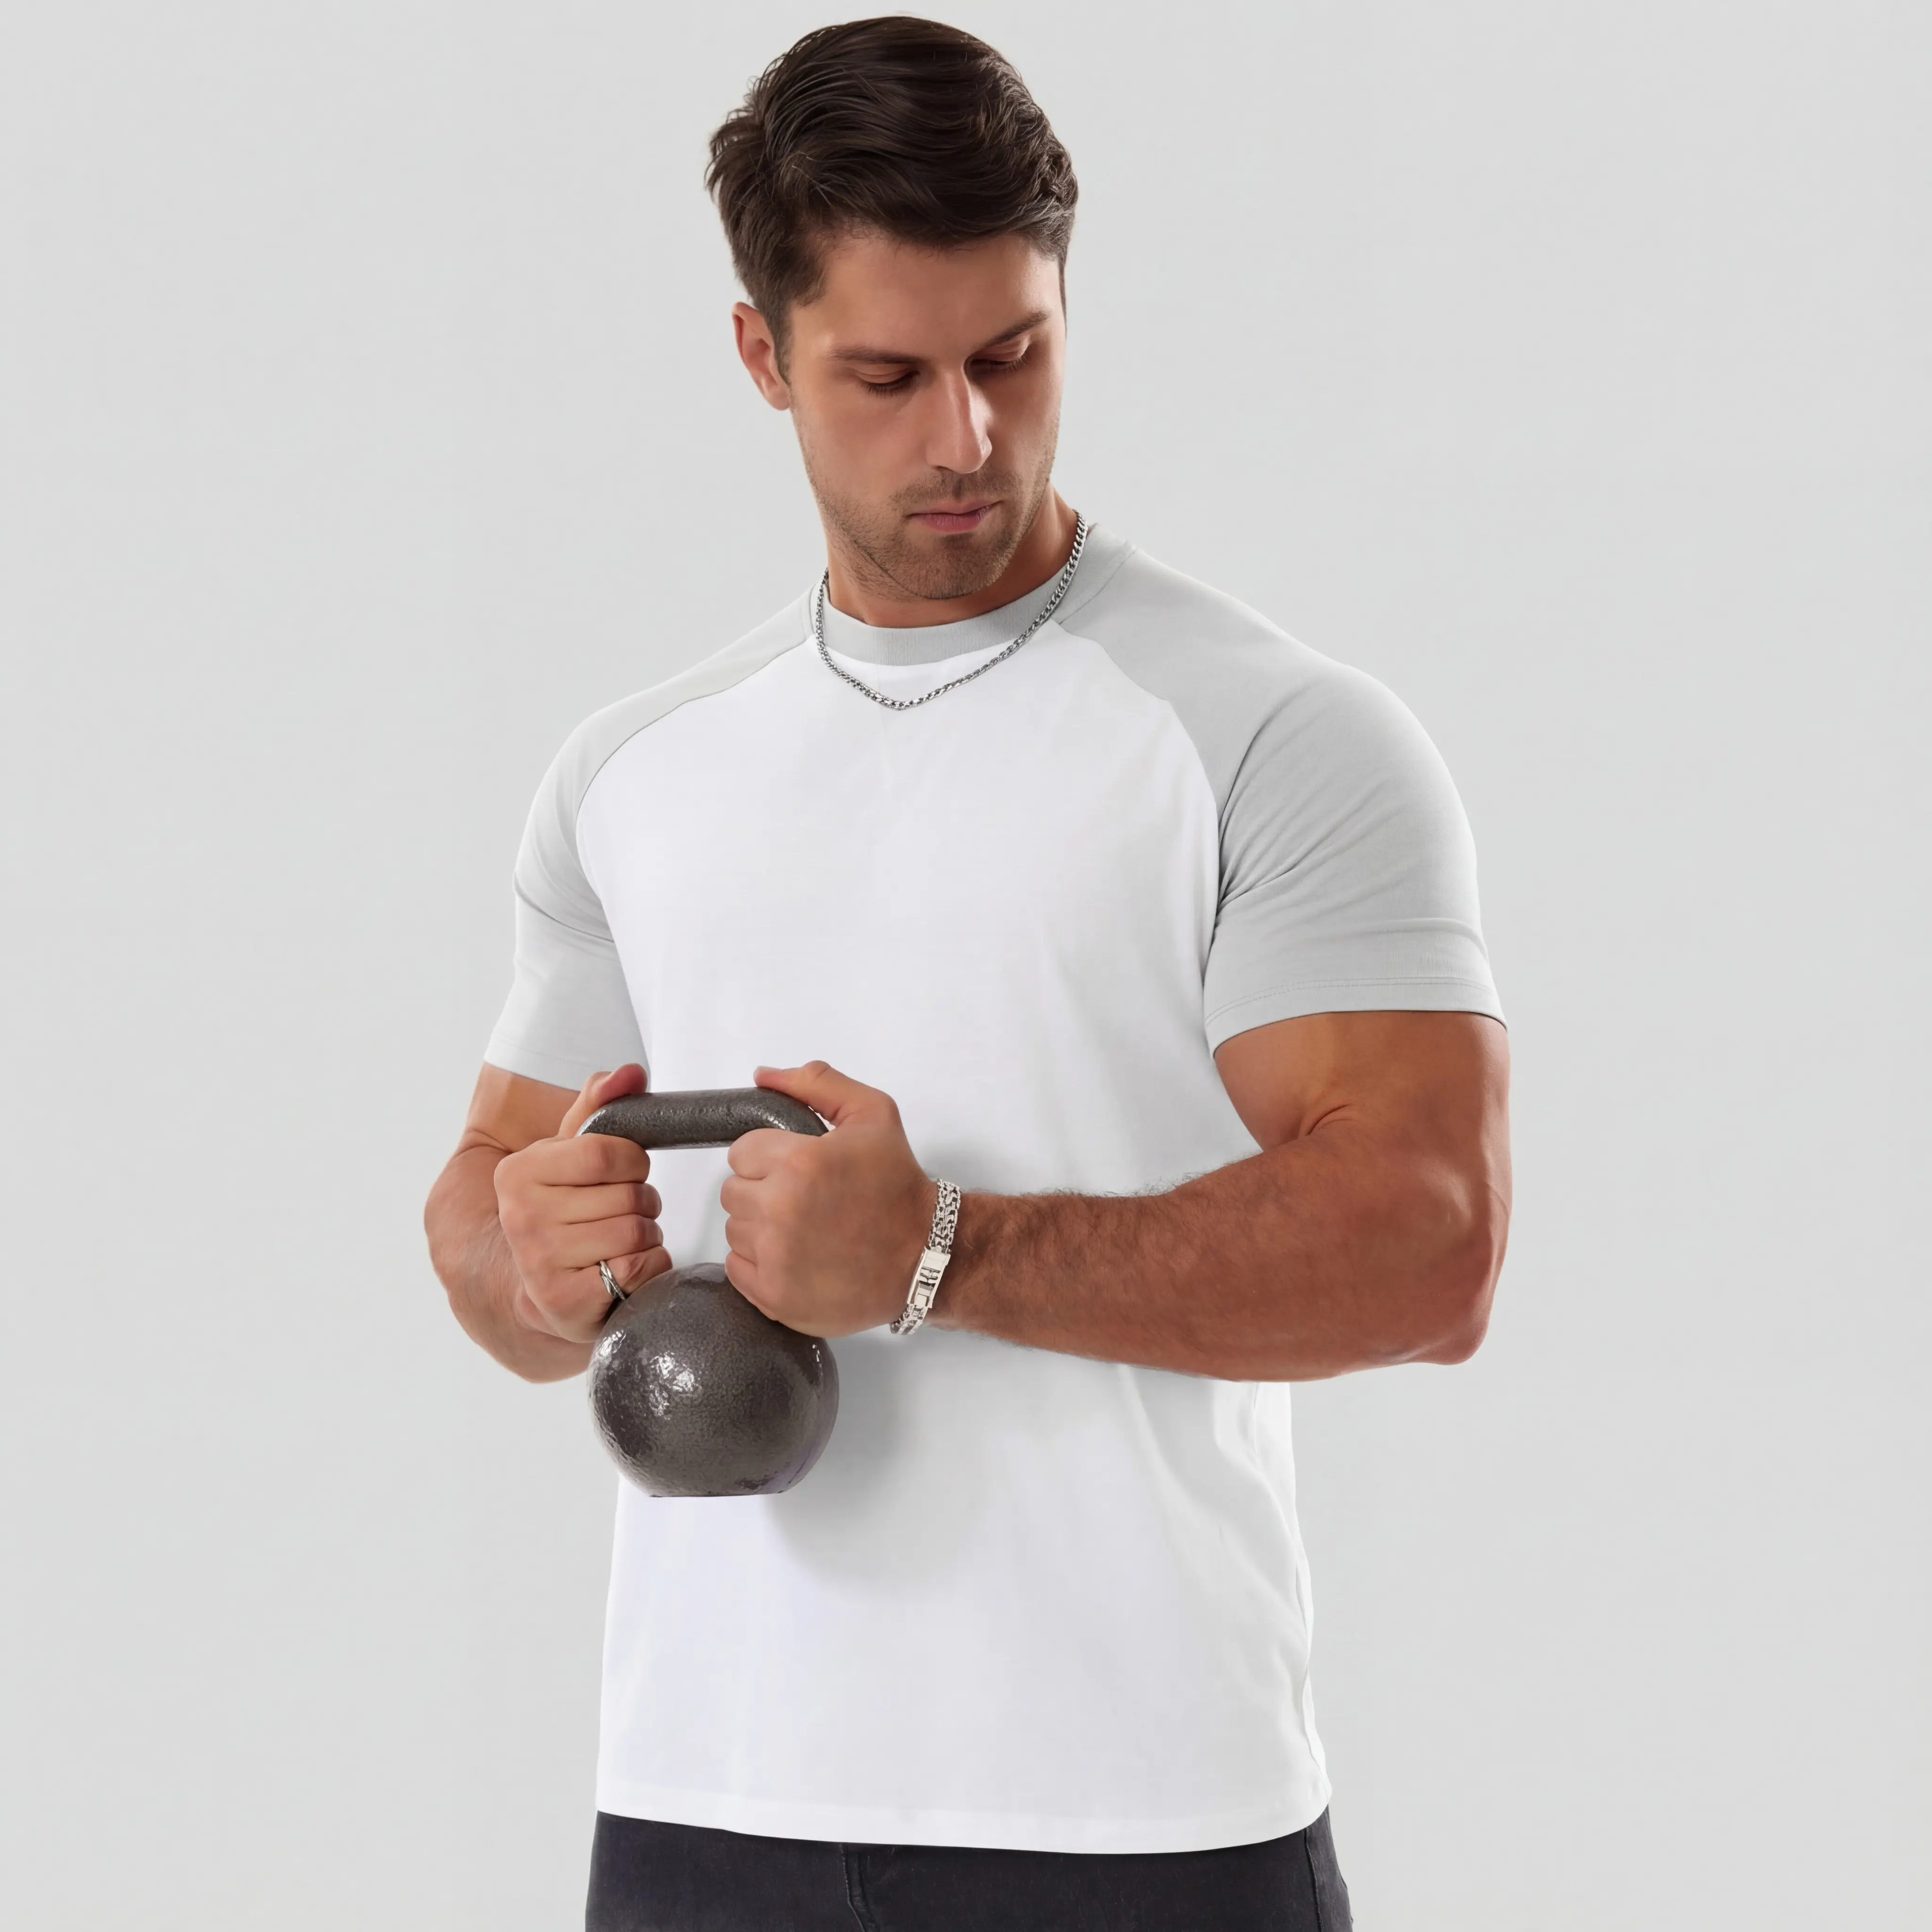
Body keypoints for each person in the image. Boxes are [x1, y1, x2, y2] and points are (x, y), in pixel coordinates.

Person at [425, 17, 1510, 1930]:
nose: (966, 439)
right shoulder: (638, 770)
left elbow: (1434, 1252)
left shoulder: (1271, 737)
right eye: (888, 375)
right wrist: (534, 1257)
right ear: (762, 355)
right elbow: (486, 1222)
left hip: (1145, 1821)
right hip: (703, 1805)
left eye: (1013, 355)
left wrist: (944, 1252)